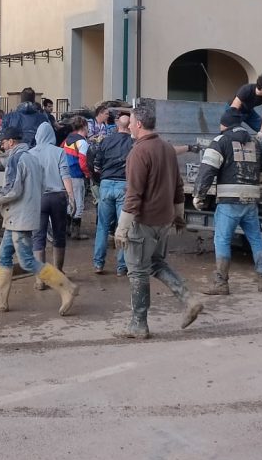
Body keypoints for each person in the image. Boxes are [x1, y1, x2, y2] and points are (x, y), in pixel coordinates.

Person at [114, 99, 203, 339]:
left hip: (142, 222)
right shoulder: (166, 148)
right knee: (156, 263)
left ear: (139, 124)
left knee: (137, 272)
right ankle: (189, 299)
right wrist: (178, 215)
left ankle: (138, 324)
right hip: (163, 221)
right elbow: (178, 186)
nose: (129, 126)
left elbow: (133, 194)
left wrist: (121, 228)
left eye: (130, 122)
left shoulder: (138, 152)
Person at [0, 125, 78, 315]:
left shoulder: (16, 159)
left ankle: (66, 287)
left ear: (11, 141)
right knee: (3, 255)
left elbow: (11, 190)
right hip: (23, 215)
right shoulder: (31, 158)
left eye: (5, 142)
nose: (3, 146)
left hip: (18, 217)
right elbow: (41, 186)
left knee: (26, 261)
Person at [193, 110, 262, 295]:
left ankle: (221, 283)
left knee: (222, 240)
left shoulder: (220, 141)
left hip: (229, 202)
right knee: (256, 239)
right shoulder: (255, 142)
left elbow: (207, 171)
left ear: (224, 125)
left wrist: (199, 195)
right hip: (250, 200)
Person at [29, 121, 76, 289]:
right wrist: (72, 197)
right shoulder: (59, 152)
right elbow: (65, 175)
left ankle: (40, 279)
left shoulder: (30, 153)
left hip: (38, 198)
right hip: (58, 198)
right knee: (59, 235)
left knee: (38, 238)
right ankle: (58, 272)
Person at [91, 114, 133, 276]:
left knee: (102, 226)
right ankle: (121, 267)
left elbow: (96, 166)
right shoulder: (133, 143)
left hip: (106, 184)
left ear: (117, 124)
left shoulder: (105, 140)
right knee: (122, 227)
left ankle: (98, 264)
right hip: (124, 186)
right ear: (130, 126)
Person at [62, 116, 91, 238]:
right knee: (79, 203)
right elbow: (83, 162)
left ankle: (66, 229)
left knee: (70, 201)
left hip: (66, 175)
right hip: (77, 175)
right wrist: (88, 174)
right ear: (84, 126)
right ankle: (75, 232)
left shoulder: (68, 139)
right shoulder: (82, 142)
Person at [228, 73, 262, 139]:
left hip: (249, 112)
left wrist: (261, 132)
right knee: (235, 135)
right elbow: (233, 110)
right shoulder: (246, 90)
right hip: (234, 112)